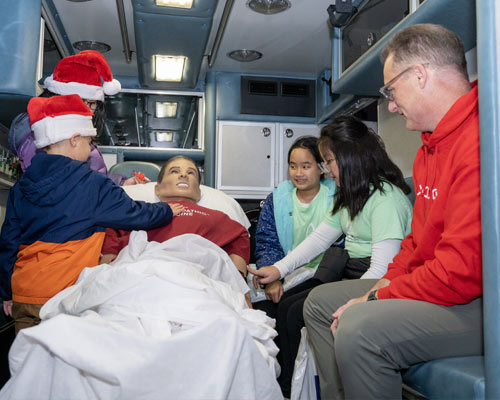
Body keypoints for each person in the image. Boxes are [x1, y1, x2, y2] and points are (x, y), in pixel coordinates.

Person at [302, 23, 482, 400]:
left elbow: (461, 271)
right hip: (443, 288)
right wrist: (388, 282)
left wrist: (377, 297)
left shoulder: (482, 139)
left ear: (420, 75)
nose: (392, 105)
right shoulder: (427, 150)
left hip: (480, 302)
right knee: (319, 304)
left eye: (391, 91)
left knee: (359, 327)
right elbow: (416, 243)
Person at [250, 116, 413, 398]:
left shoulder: (386, 199)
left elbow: (383, 268)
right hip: (352, 269)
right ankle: (289, 389)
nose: (327, 170)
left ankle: (334, 392)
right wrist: (277, 269)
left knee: (304, 308)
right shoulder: (351, 196)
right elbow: (319, 240)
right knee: (288, 307)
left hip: (377, 277)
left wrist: (356, 304)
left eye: (328, 161)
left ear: (349, 159)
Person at [0, 95, 183, 333]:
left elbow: (8, 243)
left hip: (24, 294)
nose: (90, 151)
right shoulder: (93, 183)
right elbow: (136, 214)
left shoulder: (21, 186)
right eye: (89, 142)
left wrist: (7, 293)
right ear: (75, 139)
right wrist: (166, 210)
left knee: (27, 364)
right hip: (62, 297)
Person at [101, 156, 253, 305]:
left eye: (191, 173)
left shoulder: (217, 218)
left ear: (199, 192)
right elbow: (111, 246)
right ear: (157, 189)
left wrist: (241, 290)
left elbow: (240, 237)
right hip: (142, 281)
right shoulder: (138, 212)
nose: (183, 175)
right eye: (174, 171)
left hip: (199, 286)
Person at [7, 50, 143, 186]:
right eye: (82, 101)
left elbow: (92, 176)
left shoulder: (70, 132)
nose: (87, 109)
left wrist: (121, 183)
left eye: (92, 103)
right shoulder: (42, 132)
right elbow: (60, 188)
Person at [252, 136, 338, 319]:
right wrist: (273, 280)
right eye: (293, 166)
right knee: (264, 313)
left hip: (326, 275)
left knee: (290, 311)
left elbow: (340, 245)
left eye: (306, 166)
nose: (298, 173)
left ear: (322, 168)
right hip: (284, 273)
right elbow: (267, 243)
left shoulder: (336, 197)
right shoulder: (277, 200)